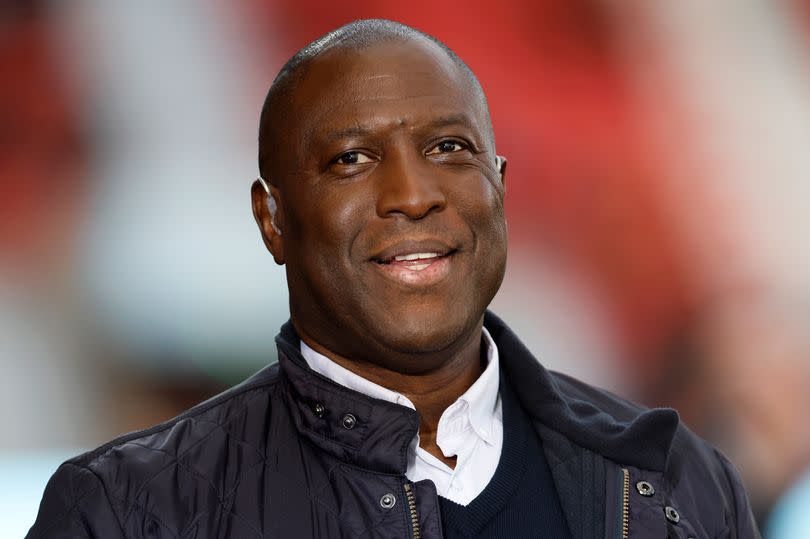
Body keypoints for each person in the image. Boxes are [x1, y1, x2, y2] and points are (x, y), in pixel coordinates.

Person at [27, 19, 760, 538]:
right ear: (272, 218)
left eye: (448, 147)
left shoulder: (678, 482)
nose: (414, 193)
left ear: (499, 184)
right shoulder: (123, 512)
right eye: (352, 158)